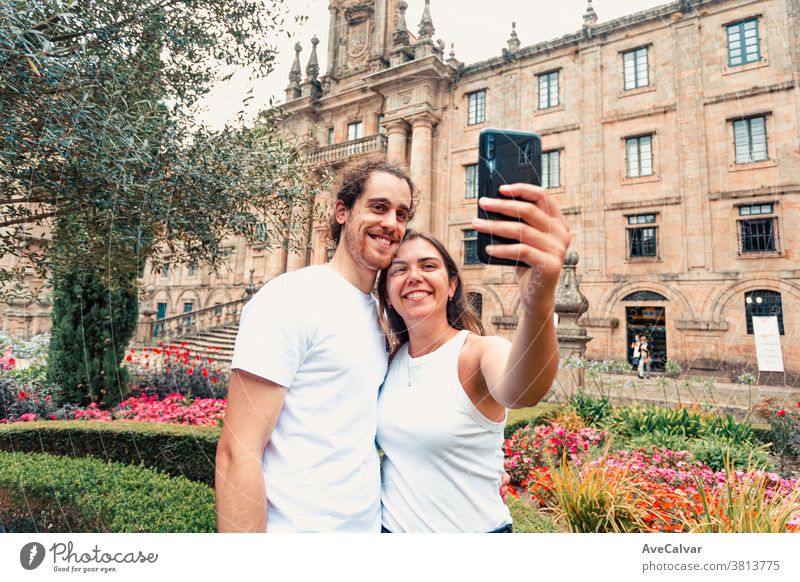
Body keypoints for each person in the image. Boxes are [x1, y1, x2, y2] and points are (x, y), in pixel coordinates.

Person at [215, 156, 415, 532]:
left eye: (402, 214)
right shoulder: (291, 298)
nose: (391, 223)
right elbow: (236, 453)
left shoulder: (384, 317)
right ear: (342, 211)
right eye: (378, 207)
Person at [375, 182, 571, 532]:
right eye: (399, 269)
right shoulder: (388, 360)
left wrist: (538, 305)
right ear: (388, 293)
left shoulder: (477, 352)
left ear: (451, 285)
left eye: (428, 266)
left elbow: (524, 389)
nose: (414, 276)